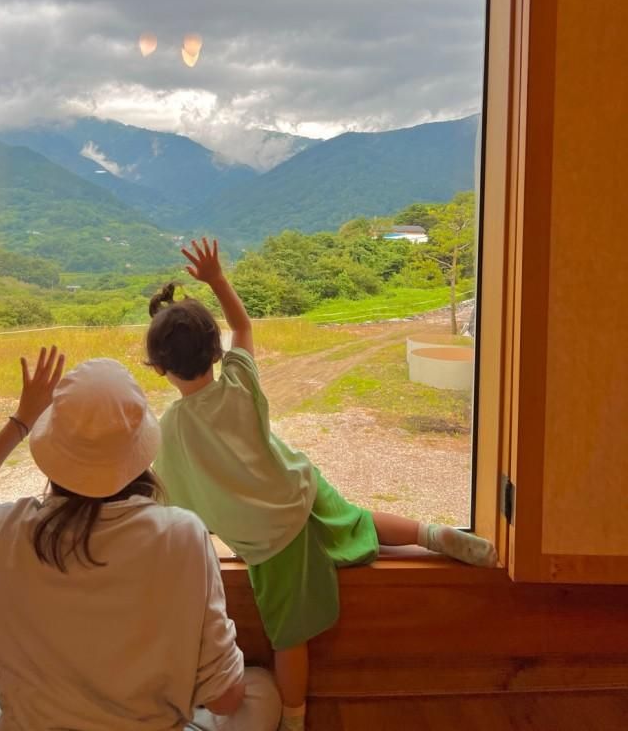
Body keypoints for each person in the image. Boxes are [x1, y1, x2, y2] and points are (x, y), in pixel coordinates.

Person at [149, 239, 497, 731]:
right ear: (215, 351)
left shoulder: (168, 432)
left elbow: (174, 507)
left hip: (269, 543)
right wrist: (217, 279)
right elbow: (244, 326)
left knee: (289, 637)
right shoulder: (239, 383)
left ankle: (294, 720)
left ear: (158, 367)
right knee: (358, 520)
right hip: (300, 486)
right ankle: (434, 535)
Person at [0, 346, 281, 731]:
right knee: (262, 691)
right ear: (141, 450)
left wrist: (21, 421)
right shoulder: (182, 535)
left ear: (52, 448)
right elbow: (224, 699)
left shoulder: (1, 530)